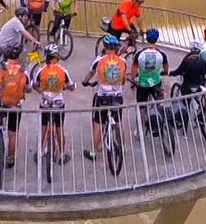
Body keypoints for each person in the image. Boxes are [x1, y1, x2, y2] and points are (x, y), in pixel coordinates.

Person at [81, 34, 128, 162]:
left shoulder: (98, 60)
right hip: (117, 96)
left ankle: (94, 152)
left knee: (98, 124)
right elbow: (123, 80)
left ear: (105, 47)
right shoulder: (123, 61)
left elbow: (90, 74)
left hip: (102, 96)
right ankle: (122, 147)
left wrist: (84, 82)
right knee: (118, 122)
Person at [33, 44, 74, 165]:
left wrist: (41, 90)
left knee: (44, 127)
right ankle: (61, 154)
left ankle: (41, 151)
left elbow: (34, 84)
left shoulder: (40, 70)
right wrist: (69, 87)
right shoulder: (63, 70)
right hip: (58, 102)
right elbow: (71, 86)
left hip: (45, 102)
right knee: (59, 128)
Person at [169, 42, 206, 132]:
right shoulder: (203, 61)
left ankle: (184, 130)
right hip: (200, 85)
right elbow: (204, 72)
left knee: (186, 106)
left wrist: (171, 73)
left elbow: (179, 71)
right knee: (199, 100)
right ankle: (203, 114)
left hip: (188, 87)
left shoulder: (187, 61)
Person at [132, 28, 168, 103]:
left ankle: (142, 114)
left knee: (142, 105)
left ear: (146, 38)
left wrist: (133, 79)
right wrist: (165, 72)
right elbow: (166, 67)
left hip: (142, 83)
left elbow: (134, 69)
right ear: (157, 39)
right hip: (156, 82)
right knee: (159, 102)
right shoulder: (162, 54)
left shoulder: (139, 54)